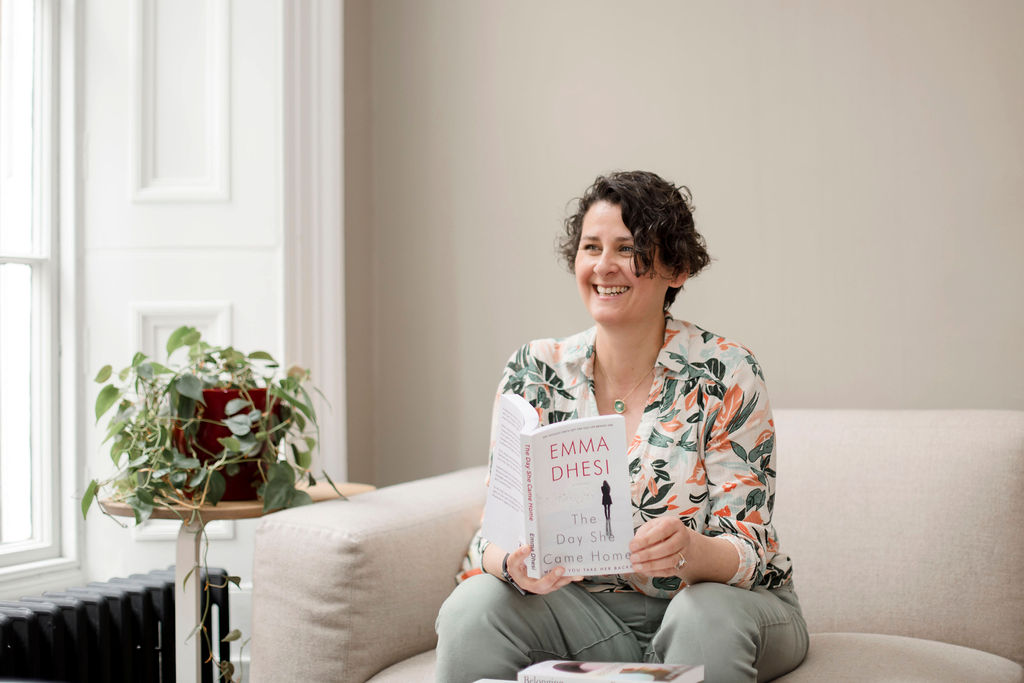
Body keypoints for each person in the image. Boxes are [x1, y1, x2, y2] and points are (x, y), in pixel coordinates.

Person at [435, 171, 808, 682]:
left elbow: (751, 548)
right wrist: (510, 564)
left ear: (676, 269)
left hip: (718, 607)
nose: (603, 266)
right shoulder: (534, 371)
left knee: (703, 619)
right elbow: (492, 534)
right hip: (584, 618)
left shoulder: (726, 371)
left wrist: (691, 552)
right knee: (471, 605)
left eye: (628, 249)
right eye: (591, 247)